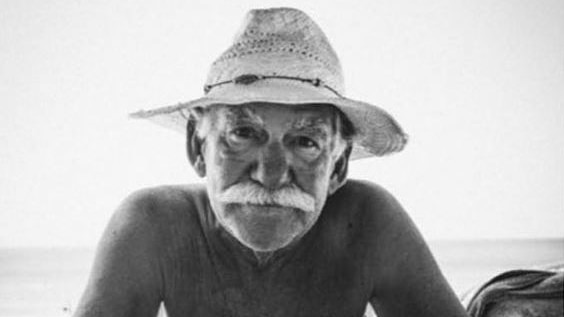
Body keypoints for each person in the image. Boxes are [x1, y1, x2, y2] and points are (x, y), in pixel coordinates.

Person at [74, 7, 469, 317]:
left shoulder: (368, 225)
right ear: (198, 149)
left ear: (338, 167)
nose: (272, 174)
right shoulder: (152, 228)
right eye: (243, 134)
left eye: (305, 142)